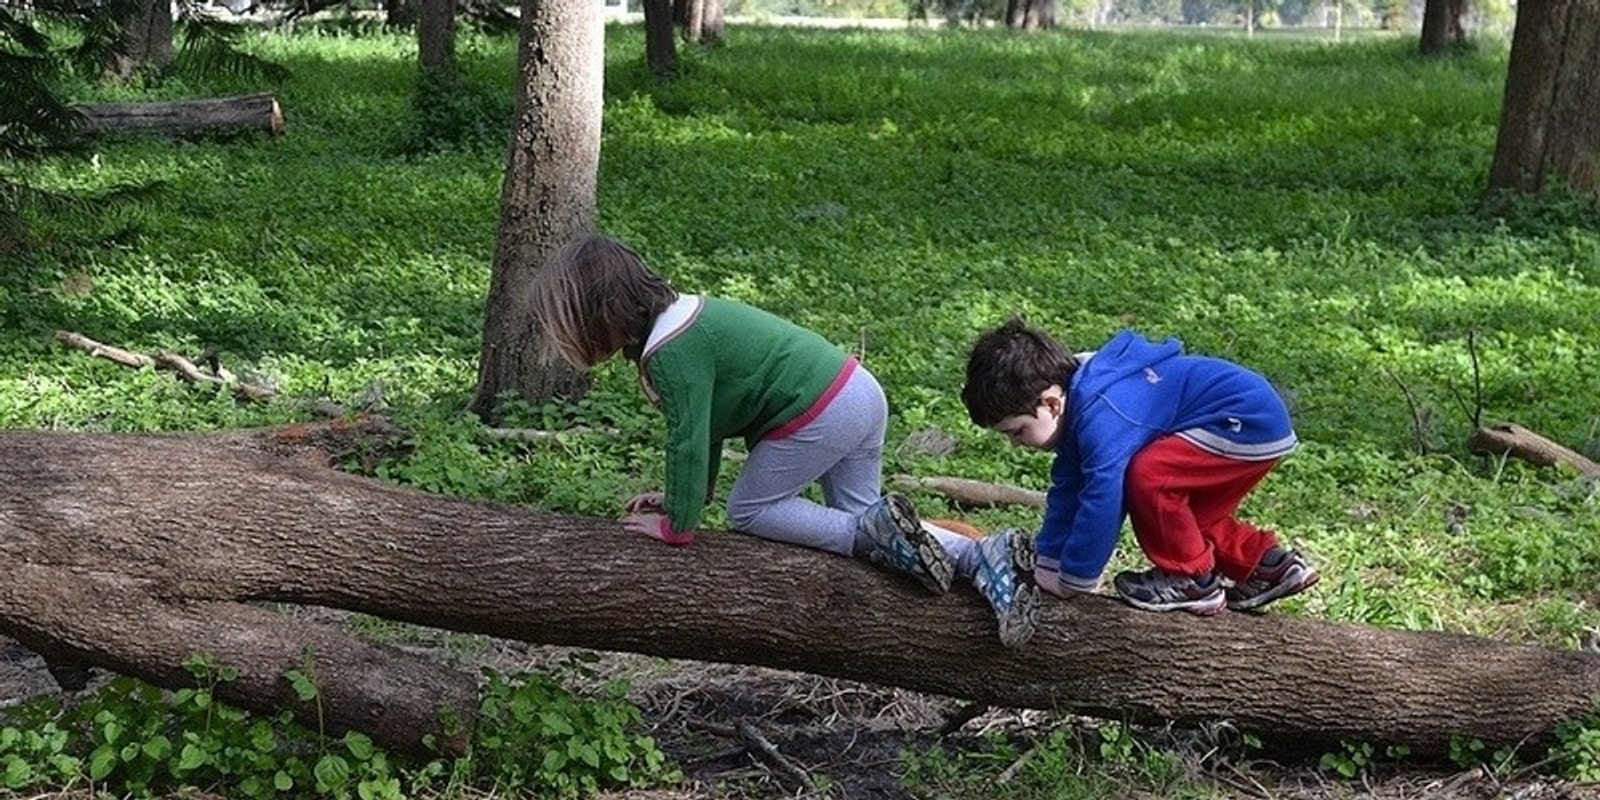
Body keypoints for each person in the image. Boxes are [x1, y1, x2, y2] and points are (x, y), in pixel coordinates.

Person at [527, 232, 1041, 647]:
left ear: (596, 314)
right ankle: (984, 557)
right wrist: (689, 496)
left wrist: (677, 525)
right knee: (873, 528)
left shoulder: (670, 351)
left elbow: (687, 438)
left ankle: (880, 533)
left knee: (751, 510)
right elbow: (705, 427)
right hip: (857, 391)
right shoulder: (680, 323)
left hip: (822, 408)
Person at [960, 317, 1318, 615]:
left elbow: (1103, 498)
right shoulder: (1078, 406)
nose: (1014, 443)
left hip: (1242, 419)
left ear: (1051, 404)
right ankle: (1269, 567)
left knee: (1151, 478)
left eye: (1017, 431)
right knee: (1186, 519)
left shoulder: (1103, 412)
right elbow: (1068, 491)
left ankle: (1188, 580)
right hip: (1249, 420)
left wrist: (1075, 579)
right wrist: (1047, 563)